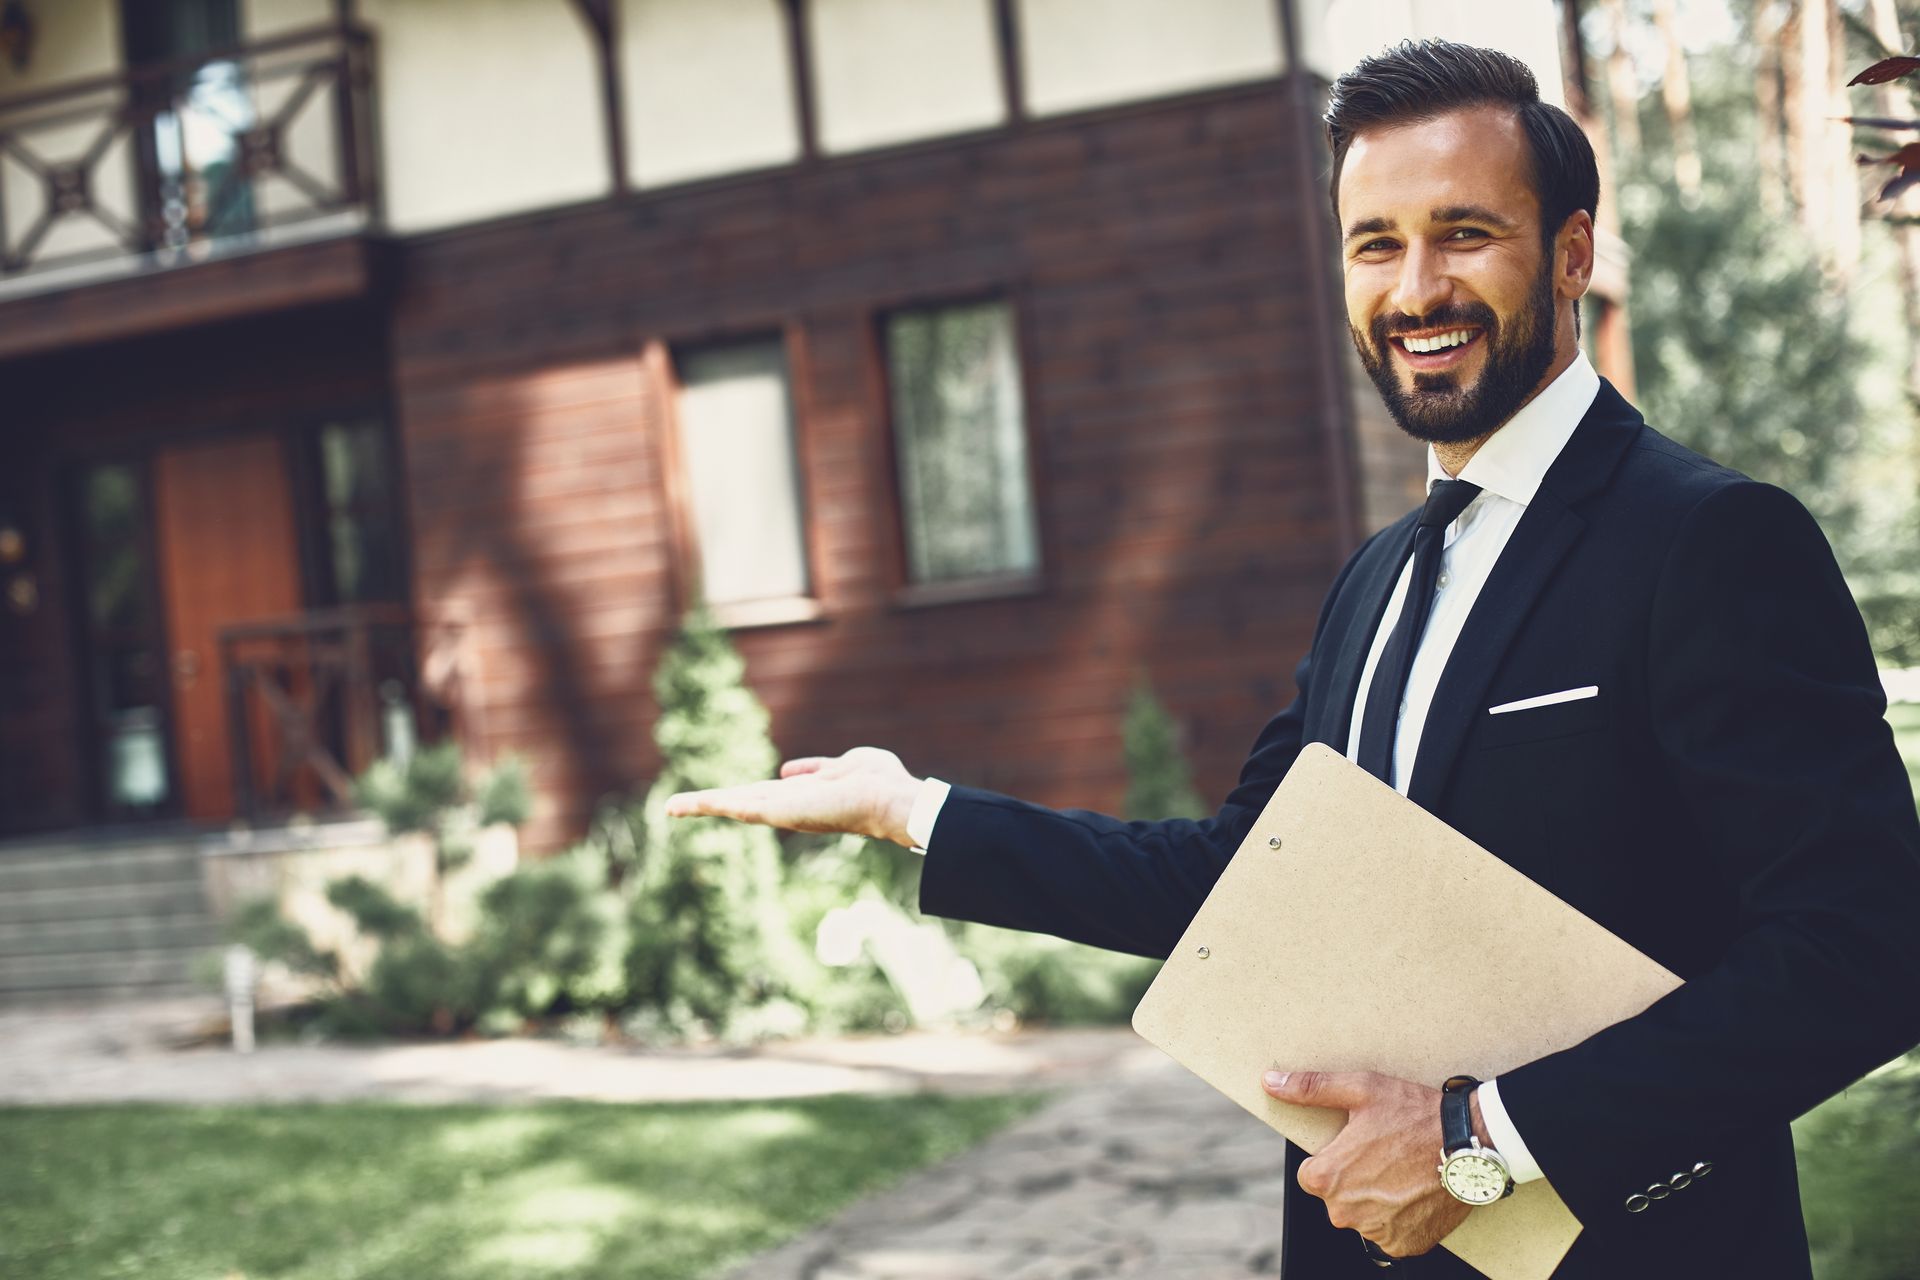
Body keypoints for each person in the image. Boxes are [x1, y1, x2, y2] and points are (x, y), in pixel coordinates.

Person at [665, 39, 1920, 1279]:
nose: (1415, 287)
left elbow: (1864, 950)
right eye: (1376, 243)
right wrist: (913, 812)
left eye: (1464, 233)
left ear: (1571, 254)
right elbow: (1234, 880)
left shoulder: (1712, 542)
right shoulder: (1370, 585)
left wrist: (1478, 1145)